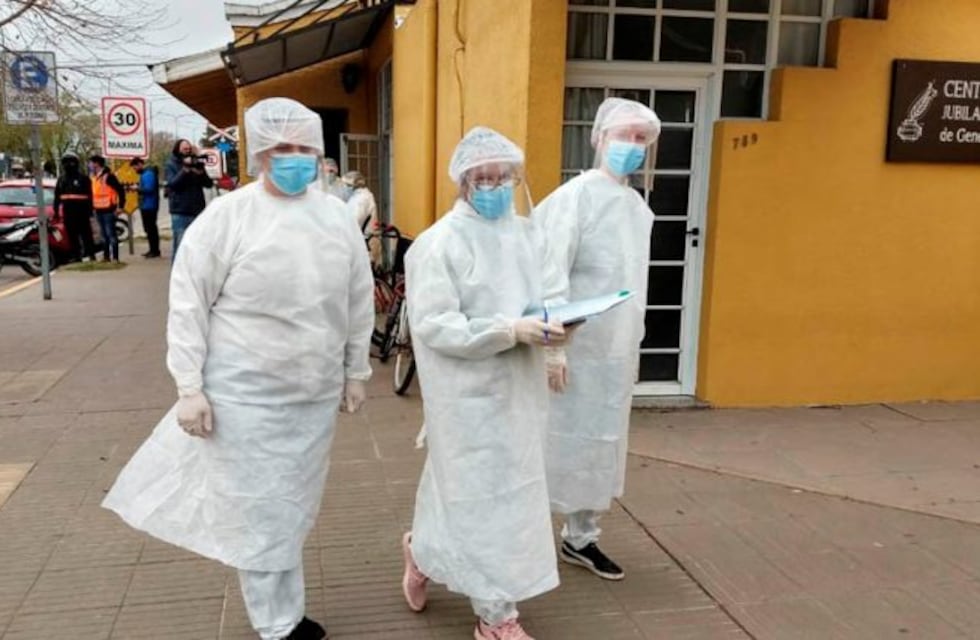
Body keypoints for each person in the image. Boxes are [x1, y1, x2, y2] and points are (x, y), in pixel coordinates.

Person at [102, 97, 374, 640]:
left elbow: (356, 298)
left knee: (292, 503)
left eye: (304, 148)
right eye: (282, 148)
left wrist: (355, 370)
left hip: (311, 395)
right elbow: (188, 304)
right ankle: (277, 624)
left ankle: (288, 611)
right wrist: (189, 386)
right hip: (245, 396)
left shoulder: (335, 219)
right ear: (260, 152)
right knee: (261, 510)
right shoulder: (227, 218)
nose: (294, 158)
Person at [400, 126, 568, 640]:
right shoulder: (438, 245)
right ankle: (496, 617)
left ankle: (422, 550)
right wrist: (506, 330)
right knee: (485, 498)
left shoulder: (528, 233)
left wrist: (555, 343)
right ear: (463, 182)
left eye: (504, 177)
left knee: (488, 490)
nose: (495, 185)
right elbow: (434, 325)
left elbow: (552, 293)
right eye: (484, 177)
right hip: (467, 395)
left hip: (520, 390)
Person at [532, 97, 661, 582]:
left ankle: (581, 537)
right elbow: (551, 272)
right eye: (623, 136)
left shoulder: (635, 206)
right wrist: (554, 345)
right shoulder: (575, 198)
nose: (631, 147)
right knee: (553, 439)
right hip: (576, 349)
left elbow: (634, 281)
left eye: (640, 140)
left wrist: (634, 339)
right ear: (599, 138)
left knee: (602, 442)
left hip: (615, 351)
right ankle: (524, 535)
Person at [165, 138, 214, 259]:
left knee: (198, 246)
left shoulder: (196, 162)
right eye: (184, 149)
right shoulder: (171, 164)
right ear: (178, 149)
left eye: (188, 149)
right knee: (180, 246)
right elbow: (173, 185)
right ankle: (176, 276)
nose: (187, 151)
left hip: (197, 209)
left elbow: (208, 184)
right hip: (180, 211)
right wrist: (185, 170)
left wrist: (201, 172)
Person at [53, 152, 95, 263]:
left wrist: (90, 212)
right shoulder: (61, 180)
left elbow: (90, 196)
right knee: (72, 236)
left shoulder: (83, 178)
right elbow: (57, 197)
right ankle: (77, 257)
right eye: (66, 162)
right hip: (68, 212)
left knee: (86, 235)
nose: (68, 165)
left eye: (70, 162)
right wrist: (56, 211)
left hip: (82, 212)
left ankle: (91, 255)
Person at [89, 155, 126, 263]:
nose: (90, 165)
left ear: (97, 164)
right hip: (98, 209)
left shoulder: (109, 177)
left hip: (109, 209)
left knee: (111, 234)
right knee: (103, 235)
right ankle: (106, 257)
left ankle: (115, 257)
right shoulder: (94, 177)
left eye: (91, 163)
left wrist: (120, 206)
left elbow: (120, 190)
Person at [130, 158, 161, 258]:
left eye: (135, 167)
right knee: (149, 229)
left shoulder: (148, 174)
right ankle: (152, 249)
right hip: (147, 205)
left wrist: (137, 188)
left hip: (149, 205)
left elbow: (149, 189)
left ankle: (154, 250)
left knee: (151, 229)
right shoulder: (146, 174)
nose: (135, 170)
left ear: (139, 164)